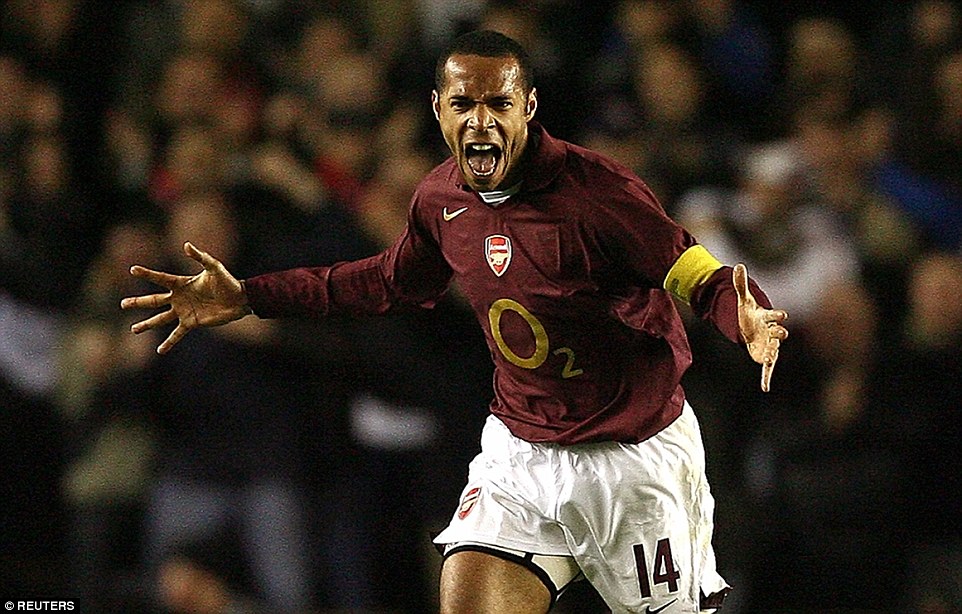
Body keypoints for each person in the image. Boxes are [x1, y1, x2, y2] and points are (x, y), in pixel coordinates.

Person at [121, 30, 788, 614]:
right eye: (463, 104)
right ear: (440, 109)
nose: (480, 122)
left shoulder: (599, 193)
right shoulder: (440, 199)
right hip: (523, 450)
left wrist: (745, 312)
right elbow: (385, 282)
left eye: (498, 103)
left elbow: (689, 268)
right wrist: (253, 296)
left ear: (528, 107)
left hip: (630, 447)